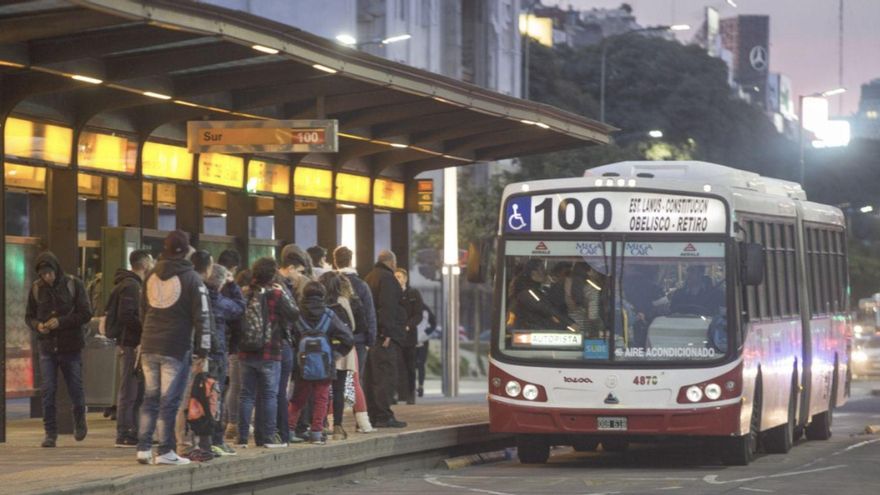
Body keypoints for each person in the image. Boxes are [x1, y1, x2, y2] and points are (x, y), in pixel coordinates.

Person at [136, 230, 211, 466]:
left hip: (149, 343)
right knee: (169, 400)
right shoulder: (192, 278)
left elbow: (142, 310)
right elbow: (203, 317)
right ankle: (166, 450)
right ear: (187, 251)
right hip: (175, 346)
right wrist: (203, 350)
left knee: (150, 398)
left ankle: (144, 448)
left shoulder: (150, 276)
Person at [25, 251, 93, 448]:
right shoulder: (37, 289)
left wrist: (60, 322)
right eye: (43, 274)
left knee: (75, 388)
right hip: (47, 347)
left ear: (56, 270)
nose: (47, 277)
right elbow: (29, 315)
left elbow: (85, 313)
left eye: (50, 273)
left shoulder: (73, 284)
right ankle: (50, 433)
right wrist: (37, 325)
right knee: (48, 390)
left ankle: (79, 420)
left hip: (70, 346)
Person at [238, 257, 299, 449]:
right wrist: (283, 293)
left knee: (246, 395)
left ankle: (241, 438)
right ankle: (269, 437)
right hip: (270, 351)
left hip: (246, 352)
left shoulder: (245, 292)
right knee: (269, 395)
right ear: (273, 274)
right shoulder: (276, 293)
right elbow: (294, 314)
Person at [287, 281, 354, 444]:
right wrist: (335, 354)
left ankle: (288, 430)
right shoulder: (329, 314)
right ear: (322, 296)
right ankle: (316, 433)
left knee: (298, 399)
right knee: (321, 398)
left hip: (302, 364)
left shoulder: (296, 314)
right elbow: (348, 338)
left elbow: (288, 336)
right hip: (325, 364)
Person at [105, 249, 154, 448]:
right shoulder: (132, 286)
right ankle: (125, 431)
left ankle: (132, 429)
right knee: (129, 388)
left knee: (134, 388)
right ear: (144, 264)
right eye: (151, 261)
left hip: (129, 343)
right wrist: (147, 328)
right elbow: (128, 315)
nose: (153, 264)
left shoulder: (131, 284)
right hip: (130, 343)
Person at [319, 272, 374, 439]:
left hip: (322, 350)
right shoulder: (344, 301)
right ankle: (338, 426)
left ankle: (321, 423)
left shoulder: (320, 302)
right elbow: (355, 325)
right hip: (343, 351)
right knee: (340, 388)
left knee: (322, 389)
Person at [363, 250, 408, 428]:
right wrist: (387, 333)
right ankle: (384, 415)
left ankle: (373, 414)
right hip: (384, 338)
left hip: (373, 336)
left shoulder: (369, 277)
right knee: (385, 377)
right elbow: (387, 307)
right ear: (392, 262)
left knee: (372, 377)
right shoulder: (388, 279)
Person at [204, 263, 245, 456]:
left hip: (196, 353)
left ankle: (199, 440)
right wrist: (233, 285)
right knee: (215, 397)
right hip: (217, 353)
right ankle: (216, 440)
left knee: (196, 398)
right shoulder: (219, 301)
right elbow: (239, 308)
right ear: (221, 283)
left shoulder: (198, 297)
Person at [333, 245, 377, 382]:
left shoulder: (330, 283)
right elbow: (370, 314)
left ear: (335, 261)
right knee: (353, 379)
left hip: (335, 338)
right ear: (351, 261)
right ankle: (350, 403)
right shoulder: (361, 285)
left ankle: (337, 403)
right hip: (358, 339)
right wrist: (370, 340)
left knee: (336, 378)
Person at [224, 268, 250, 442]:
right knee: (246, 390)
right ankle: (241, 424)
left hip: (232, 347)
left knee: (234, 386)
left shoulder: (230, 298)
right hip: (247, 348)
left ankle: (231, 422)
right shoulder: (250, 298)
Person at [507, 259, 563, 330]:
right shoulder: (528, 290)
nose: (545, 273)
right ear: (534, 273)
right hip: (526, 327)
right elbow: (545, 307)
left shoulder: (535, 287)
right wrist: (568, 323)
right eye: (542, 270)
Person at [395, 268, 423, 405]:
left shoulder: (413, 294)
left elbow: (418, 314)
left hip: (409, 336)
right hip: (395, 335)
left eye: (400, 276)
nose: (397, 279)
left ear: (405, 279)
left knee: (410, 366)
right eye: (395, 276)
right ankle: (395, 394)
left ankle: (411, 393)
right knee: (395, 366)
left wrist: (408, 325)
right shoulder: (391, 294)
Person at [565, 263, 605, 338]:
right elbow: (593, 316)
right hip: (584, 330)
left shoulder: (563, 283)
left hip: (567, 328)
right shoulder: (592, 288)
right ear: (590, 271)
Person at [414, 304, 437, 398]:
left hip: (422, 340)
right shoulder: (422, 308)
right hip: (415, 340)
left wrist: (425, 334)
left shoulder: (425, 310)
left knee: (420, 364)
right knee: (417, 365)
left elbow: (433, 324)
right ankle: (417, 386)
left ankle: (420, 386)